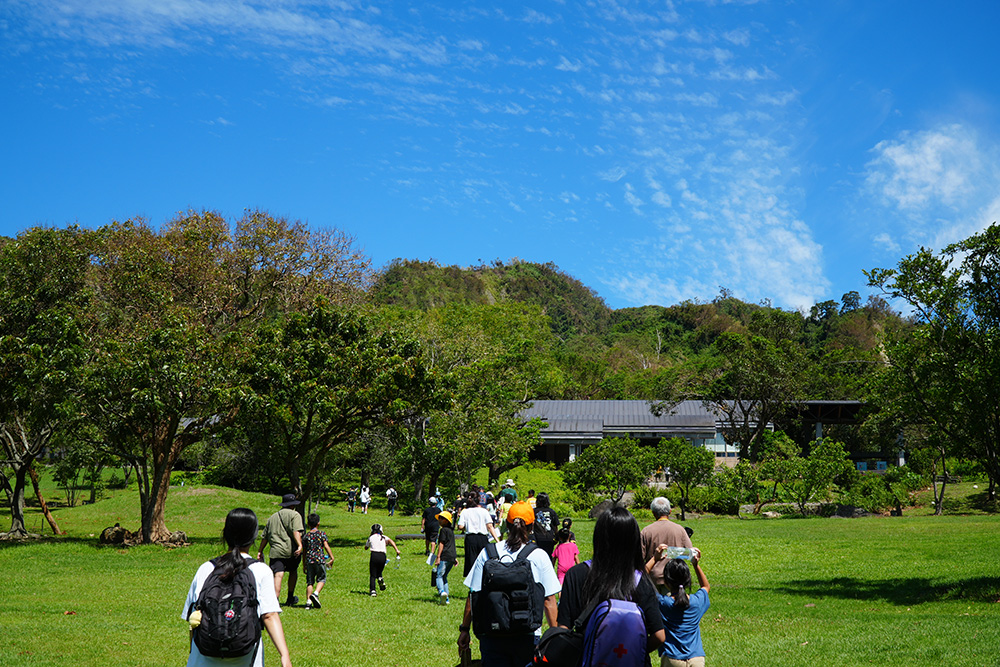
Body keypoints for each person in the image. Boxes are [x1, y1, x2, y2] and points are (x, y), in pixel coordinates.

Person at [183, 508, 292, 667]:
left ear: (225, 534)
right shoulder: (261, 570)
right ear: (253, 537)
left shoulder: (206, 569)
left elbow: (194, 619)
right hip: (245, 659)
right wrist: (284, 655)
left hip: (203, 658)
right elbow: (269, 615)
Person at [557, 506, 666, 664]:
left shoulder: (576, 574)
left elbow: (563, 628)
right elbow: (659, 636)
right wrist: (633, 651)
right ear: (633, 540)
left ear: (599, 537)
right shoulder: (640, 579)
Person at [458, 501, 561, 667]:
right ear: (532, 526)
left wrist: (464, 629)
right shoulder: (539, 555)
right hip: (528, 635)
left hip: (492, 634)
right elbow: (549, 600)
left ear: (507, 524)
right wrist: (555, 637)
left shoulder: (488, 552)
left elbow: (474, 594)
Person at [651, 548, 710, 667]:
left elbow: (640, 581)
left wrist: (654, 559)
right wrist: (696, 565)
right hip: (697, 659)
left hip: (673, 659)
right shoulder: (696, 601)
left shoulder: (664, 603)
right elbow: (705, 586)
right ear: (688, 579)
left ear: (666, 582)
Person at [257, 494, 304, 606]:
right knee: (293, 571)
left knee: (278, 575)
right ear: (292, 505)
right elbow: (296, 531)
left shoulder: (273, 517)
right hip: (291, 550)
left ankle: (275, 601)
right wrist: (300, 545)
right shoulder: (295, 515)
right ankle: (290, 597)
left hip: (276, 551)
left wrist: (260, 550)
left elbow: (265, 537)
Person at [641, 497, 693, 591]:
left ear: (653, 513)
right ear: (670, 511)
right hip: (674, 578)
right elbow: (689, 552)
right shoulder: (680, 529)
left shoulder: (646, 531)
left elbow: (640, 557)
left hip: (653, 578)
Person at [457, 498, 501, 577]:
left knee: (471, 560)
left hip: (470, 538)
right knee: (484, 559)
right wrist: (497, 540)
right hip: (482, 537)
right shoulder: (484, 511)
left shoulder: (465, 511)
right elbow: (490, 526)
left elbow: (460, 526)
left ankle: (472, 579)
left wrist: (467, 526)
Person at [302, 513, 334, 610]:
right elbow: (326, 546)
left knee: (310, 582)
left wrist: (304, 564)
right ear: (318, 523)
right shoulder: (321, 534)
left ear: (308, 524)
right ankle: (315, 593)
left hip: (309, 560)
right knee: (321, 579)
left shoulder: (306, 536)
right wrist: (332, 557)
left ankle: (308, 602)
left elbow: (304, 551)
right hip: (320, 559)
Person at [364, 523, 400, 597]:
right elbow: (391, 541)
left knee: (373, 574)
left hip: (374, 555)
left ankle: (373, 590)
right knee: (379, 571)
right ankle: (380, 578)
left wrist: (368, 545)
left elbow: (366, 547)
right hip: (383, 556)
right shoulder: (383, 537)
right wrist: (397, 550)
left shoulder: (371, 537)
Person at [434, 510, 459, 605]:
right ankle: (446, 598)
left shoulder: (443, 530)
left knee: (439, 576)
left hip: (444, 556)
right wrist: (454, 557)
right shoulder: (451, 531)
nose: (439, 520)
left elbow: (442, 544)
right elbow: (452, 544)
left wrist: (438, 557)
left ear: (446, 520)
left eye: (441, 518)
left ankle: (441, 592)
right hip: (451, 556)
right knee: (444, 576)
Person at [532, 492, 558, 556]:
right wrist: (556, 538)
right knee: (548, 556)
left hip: (537, 538)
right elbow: (555, 527)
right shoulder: (552, 512)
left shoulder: (533, 511)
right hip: (549, 538)